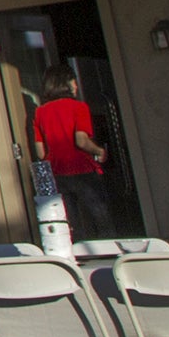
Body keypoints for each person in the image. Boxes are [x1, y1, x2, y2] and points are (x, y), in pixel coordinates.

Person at [30, 64, 110, 241]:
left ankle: (77, 252)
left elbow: (41, 152)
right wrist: (99, 150)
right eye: (73, 81)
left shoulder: (40, 112)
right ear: (64, 83)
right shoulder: (79, 107)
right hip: (83, 170)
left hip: (57, 173)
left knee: (71, 223)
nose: (76, 85)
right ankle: (107, 250)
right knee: (100, 217)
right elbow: (81, 140)